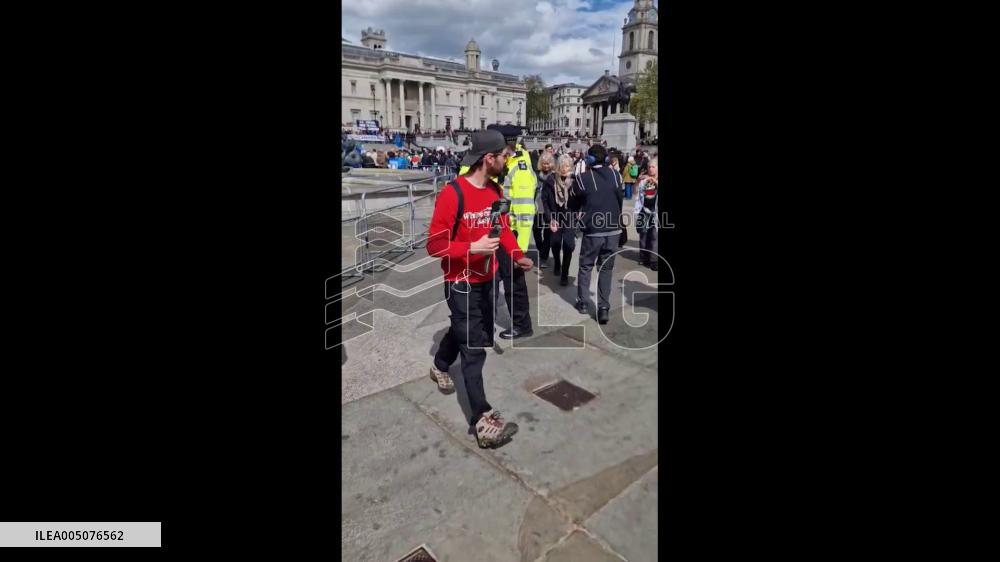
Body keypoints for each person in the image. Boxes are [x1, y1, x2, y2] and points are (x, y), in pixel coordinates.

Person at [425, 129, 530, 448]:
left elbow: (503, 230)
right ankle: (482, 421)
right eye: (504, 155)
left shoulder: (496, 193)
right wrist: (472, 248)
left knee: (466, 332)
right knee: (474, 350)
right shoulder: (452, 194)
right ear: (489, 158)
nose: (508, 159)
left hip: (488, 280)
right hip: (461, 283)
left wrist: (516, 256)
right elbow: (434, 245)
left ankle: (440, 364)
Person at [572, 144, 624, 325]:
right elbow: (619, 200)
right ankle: (603, 308)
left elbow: (574, 202)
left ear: (589, 160)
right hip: (613, 230)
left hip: (593, 231)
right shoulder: (616, 175)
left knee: (586, 266)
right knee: (606, 269)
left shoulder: (582, 178)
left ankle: (583, 302)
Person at [542, 154, 577, 286]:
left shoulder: (575, 180)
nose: (564, 168)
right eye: (562, 165)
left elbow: (581, 199)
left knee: (569, 245)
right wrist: (550, 217)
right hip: (555, 216)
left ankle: (565, 273)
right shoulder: (550, 180)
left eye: (567, 166)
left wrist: (579, 212)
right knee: (555, 243)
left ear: (571, 167)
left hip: (569, 217)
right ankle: (557, 262)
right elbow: (544, 200)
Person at [634, 158, 658, 270]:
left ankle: (654, 260)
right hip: (643, 211)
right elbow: (637, 195)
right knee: (643, 235)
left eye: (653, 167)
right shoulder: (644, 181)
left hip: (656, 213)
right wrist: (638, 181)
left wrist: (656, 183)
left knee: (654, 236)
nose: (650, 169)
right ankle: (644, 258)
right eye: (649, 167)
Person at [532, 152, 555, 270]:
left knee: (547, 234)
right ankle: (541, 249)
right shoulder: (535, 175)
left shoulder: (554, 177)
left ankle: (544, 257)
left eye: (548, 164)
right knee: (536, 231)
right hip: (537, 207)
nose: (546, 166)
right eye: (544, 164)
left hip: (549, 209)